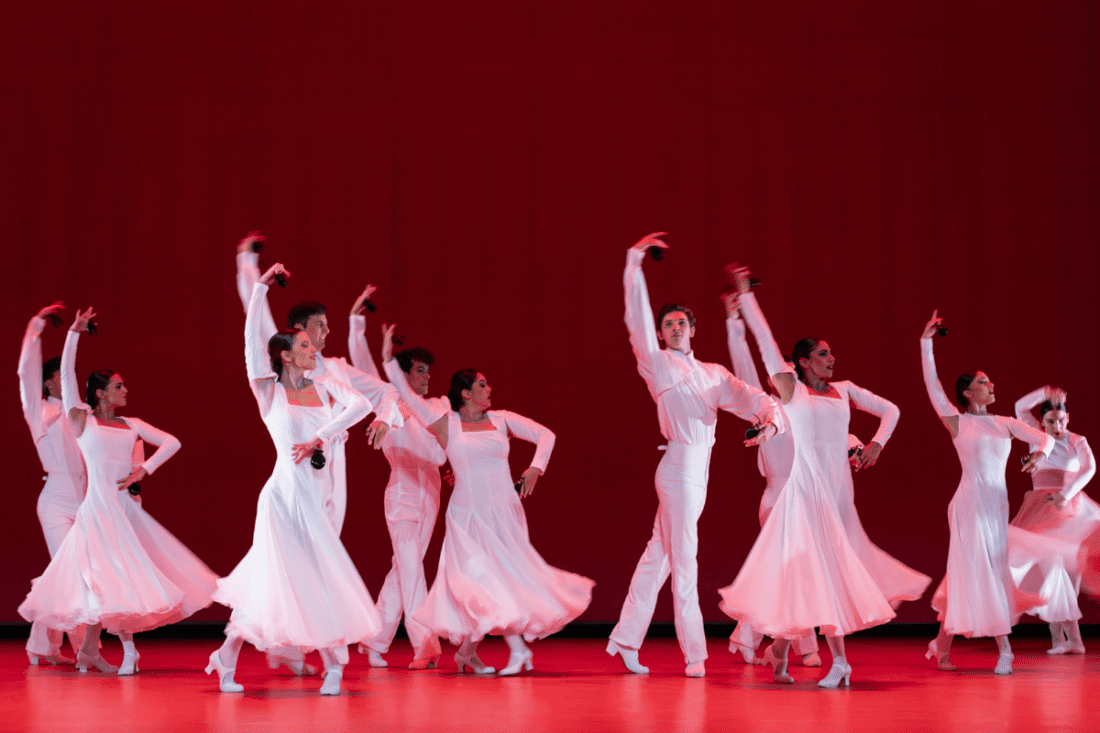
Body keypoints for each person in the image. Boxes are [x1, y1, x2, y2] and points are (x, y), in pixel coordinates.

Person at [718, 265, 926, 688]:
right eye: (823, 355)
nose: (832, 360)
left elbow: (892, 411)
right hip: (801, 495)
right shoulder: (791, 391)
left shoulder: (846, 390)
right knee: (814, 580)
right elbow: (764, 342)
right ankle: (840, 663)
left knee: (817, 581)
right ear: (802, 362)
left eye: (831, 354)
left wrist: (875, 445)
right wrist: (746, 298)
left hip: (837, 494)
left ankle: (778, 654)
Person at [608, 234, 783, 679]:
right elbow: (636, 319)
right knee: (685, 559)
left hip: (698, 474)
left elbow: (755, 398)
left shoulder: (712, 374)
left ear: (693, 328)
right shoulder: (657, 363)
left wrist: (770, 420)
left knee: (659, 557)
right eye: (668, 324)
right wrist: (634, 262)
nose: (673, 327)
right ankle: (696, 655)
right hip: (677, 471)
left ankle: (625, 640)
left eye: (680, 322)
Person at [207, 265, 382, 696]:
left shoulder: (324, 387)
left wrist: (320, 436)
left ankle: (226, 656)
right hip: (282, 498)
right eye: (304, 343)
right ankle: (333, 664)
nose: (312, 348)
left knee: (314, 576)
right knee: (293, 578)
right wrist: (261, 289)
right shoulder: (268, 392)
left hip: (313, 496)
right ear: (286, 354)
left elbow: (360, 405)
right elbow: (250, 345)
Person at [380, 324, 593, 676]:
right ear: (465, 393)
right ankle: (518, 649)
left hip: (504, 513)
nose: (489, 388)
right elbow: (408, 394)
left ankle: (466, 653)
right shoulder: (445, 423)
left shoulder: (502, 420)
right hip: (467, 517)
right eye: (482, 384)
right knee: (480, 581)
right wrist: (388, 359)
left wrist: (535, 468)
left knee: (504, 580)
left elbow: (545, 435)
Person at [19, 308, 218, 675]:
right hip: (89, 509)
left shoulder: (131, 423)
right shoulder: (80, 418)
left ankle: (89, 650)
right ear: (99, 392)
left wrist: (144, 469)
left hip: (117, 508)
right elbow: (66, 373)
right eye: (118, 386)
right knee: (85, 579)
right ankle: (88, 650)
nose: (126, 390)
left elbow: (171, 442)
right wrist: (74, 333)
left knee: (112, 579)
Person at [235, 232, 403, 534]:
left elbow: (386, 392)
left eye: (328, 325)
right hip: (297, 461)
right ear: (299, 330)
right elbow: (255, 317)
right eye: (319, 326)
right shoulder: (282, 361)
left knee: (328, 543)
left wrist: (385, 416)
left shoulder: (336, 370)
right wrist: (249, 263)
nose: (326, 332)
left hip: (332, 461)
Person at [920, 311, 1056, 675]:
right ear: (968, 392)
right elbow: (932, 385)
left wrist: (1040, 453)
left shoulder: (1006, 424)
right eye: (984, 382)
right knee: (984, 571)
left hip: (996, 505)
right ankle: (1005, 650)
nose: (992, 385)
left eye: (990, 381)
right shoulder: (957, 422)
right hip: (968, 504)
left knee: (970, 573)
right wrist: (925, 343)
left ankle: (941, 645)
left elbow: (1043, 436)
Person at [347, 285, 446, 670]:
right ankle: (426, 643)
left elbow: (444, 444)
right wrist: (357, 321)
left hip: (432, 491)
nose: (427, 377)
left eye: (428, 371)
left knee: (404, 567)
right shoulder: (389, 398)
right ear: (403, 373)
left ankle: (374, 641)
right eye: (420, 371)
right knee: (410, 565)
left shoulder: (436, 404)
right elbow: (361, 369)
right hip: (403, 492)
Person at [18, 302, 89, 665]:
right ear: (49, 381)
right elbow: (25, 370)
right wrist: (37, 325)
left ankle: (40, 645)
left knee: (76, 573)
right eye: (63, 375)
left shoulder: (84, 413)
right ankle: (81, 649)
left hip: (87, 500)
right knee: (70, 570)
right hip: (56, 500)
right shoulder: (38, 411)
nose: (69, 380)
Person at [1009, 386, 1097, 654]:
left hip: (1068, 507)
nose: (1056, 425)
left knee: (1068, 575)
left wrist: (1066, 494)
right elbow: (1020, 407)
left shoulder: (1076, 440)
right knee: (1049, 572)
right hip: (1040, 505)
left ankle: (1070, 641)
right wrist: (1045, 392)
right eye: (1050, 421)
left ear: (1068, 419)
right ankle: (1063, 640)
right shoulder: (1036, 436)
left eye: (1061, 420)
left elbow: (1089, 467)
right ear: (1042, 421)